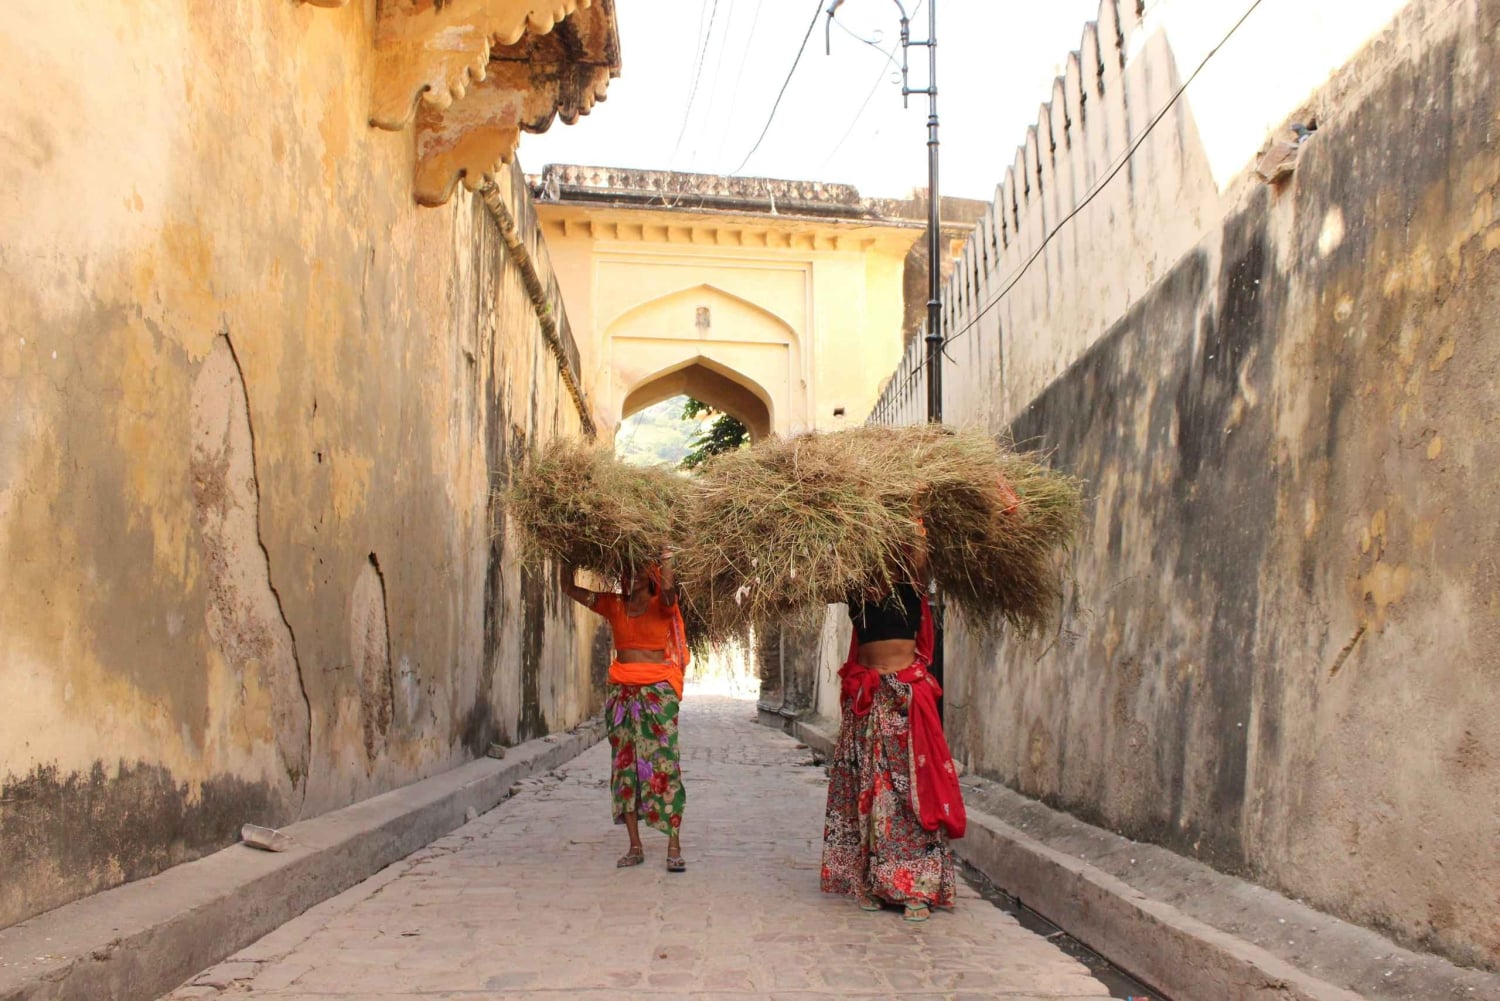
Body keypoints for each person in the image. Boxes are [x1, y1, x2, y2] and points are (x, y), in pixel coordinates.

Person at [820, 531, 966, 922]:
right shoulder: (853, 588)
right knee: (867, 793)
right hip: (865, 704)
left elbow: (919, 558)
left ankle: (917, 888)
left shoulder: (908, 583)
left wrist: (915, 520)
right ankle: (869, 881)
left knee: (907, 795)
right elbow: (816, 579)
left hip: (903, 703)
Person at [560, 555, 690, 872]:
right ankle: (635, 846)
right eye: (628, 571)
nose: (633, 577)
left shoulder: (663, 604)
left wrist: (667, 557)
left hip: (657, 694)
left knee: (663, 766)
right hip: (622, 695)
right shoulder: (614, 605)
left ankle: (673, 845)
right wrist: (565, 554)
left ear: (652, 576)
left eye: (640, 572)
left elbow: (672, 592)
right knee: (624, 769)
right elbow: (567, 588)